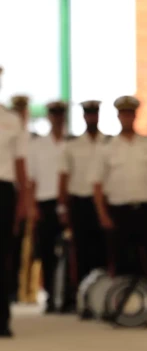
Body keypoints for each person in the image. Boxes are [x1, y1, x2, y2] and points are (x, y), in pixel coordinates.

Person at [92, 96, 147, 292]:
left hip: (144, 208)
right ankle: (120, 300)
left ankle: (146, 300)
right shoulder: (107, 147)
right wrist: (102, 214)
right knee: (119, 259)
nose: (126, 118)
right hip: (118, 210)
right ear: (118, 117)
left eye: (130, 114)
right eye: (123, 114)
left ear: (134, 116)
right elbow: (97, 184)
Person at [58, 101, 108, 317]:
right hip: (79, 203)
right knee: (81, 254)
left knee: (103, 254)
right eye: (88, 115)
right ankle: (82, 301)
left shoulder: (108, 143)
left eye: (94, 114)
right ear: (83, 117)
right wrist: (63, 208)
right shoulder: (72, 145)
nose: (92, 119)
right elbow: (63, 178)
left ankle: (102, 299)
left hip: (104, 204)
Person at [28, 101, 72, 314]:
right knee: (46, 252)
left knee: (70, 253)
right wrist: (32, 206)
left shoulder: (72, 142)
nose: (57, 118)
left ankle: (68, 298)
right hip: (44, 202)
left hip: (68, 202)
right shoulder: (37, 145)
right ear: (48, 117)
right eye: (53, 114)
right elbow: (31, 178)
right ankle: (50, 299)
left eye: (60, 114)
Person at [0, 66, 28, 337]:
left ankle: (2, 319)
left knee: (3, 256)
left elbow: (21, 165)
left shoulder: (11, 120)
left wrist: (23, 204)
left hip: (4, 191)